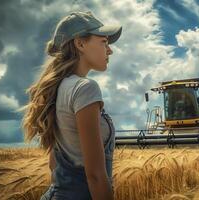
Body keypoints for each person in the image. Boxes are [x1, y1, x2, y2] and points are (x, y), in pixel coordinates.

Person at [17, 11, 122, 200]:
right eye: (104, 42)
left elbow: (53, 164)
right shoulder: (85, 88)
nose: (110, 50)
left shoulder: (57, 88)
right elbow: (96, 176)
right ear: (80, 43)